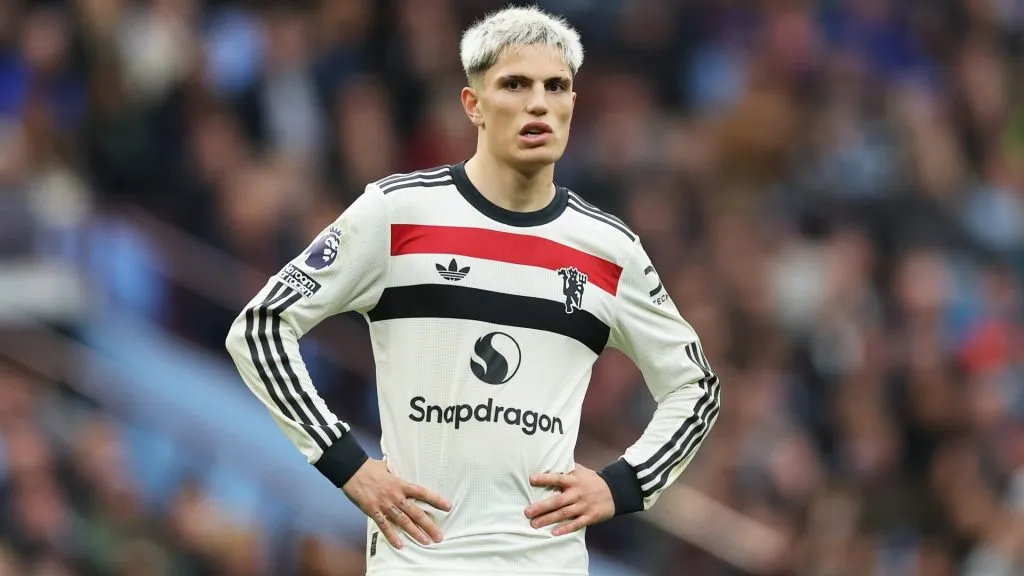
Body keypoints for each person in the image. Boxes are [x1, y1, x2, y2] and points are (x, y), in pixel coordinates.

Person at [225, 6, 721, 575]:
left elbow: (695, 386)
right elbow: (261, 327)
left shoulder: (610, 249)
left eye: (555, 87)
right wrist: (347, 464)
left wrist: (624, 485)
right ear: (473, 105)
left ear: (572, 107)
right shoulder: (397, 214)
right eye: (515, 84)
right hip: (418, 564)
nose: (539, 102)